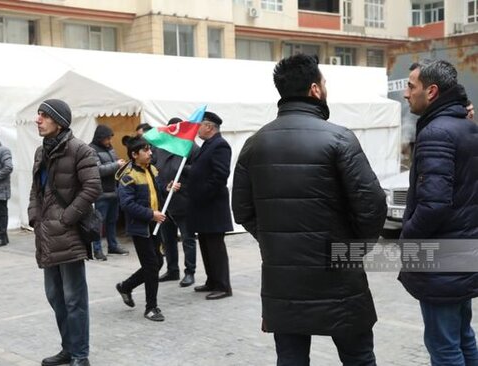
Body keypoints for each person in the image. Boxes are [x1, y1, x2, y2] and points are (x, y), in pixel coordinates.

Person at [232, 54, 386, 365]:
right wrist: (352, 249)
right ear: (315, 90)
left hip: (283, 280)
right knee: (358, 358)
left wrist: (277, 242)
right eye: (325, 83)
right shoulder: (339, 138)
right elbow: (372, 206)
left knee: (291, 359)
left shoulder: (254, 143)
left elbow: (242, 211)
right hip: (340, 275)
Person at [398, 59, 478, 366]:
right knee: (462, 337)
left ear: (431, 91)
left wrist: (407, 239)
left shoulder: (437, 133)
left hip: (442, 260)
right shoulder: (466, 127)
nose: (406, 94)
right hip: (463, 254)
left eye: (411, 86)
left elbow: (433, 205)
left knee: (444, 346)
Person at [28, 99, 101, 366]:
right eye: (38, 115)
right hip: (46, 235)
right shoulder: (41, 152)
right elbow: (36, 189)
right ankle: (68, 349)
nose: (38, 120)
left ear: (59, 121)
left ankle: (80, 355)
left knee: (74, 299)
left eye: (44, 115)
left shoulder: (79, 149)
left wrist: (67, 217)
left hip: (68, 235)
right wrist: (34, 216)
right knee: (55, 296)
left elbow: (92, 188)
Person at [115, 136, 179, 322]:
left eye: (150, 149)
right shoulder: (128, 176)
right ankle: (151, 308)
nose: (150, 152)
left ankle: (126, 286)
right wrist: (151, 214)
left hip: (155, 225)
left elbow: (156, 190)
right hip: (140, 227)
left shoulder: (151, 169)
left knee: (157, 263)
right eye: (145, 150)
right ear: (134, 155)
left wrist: (168, 188)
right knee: (152, 265)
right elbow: (127, 204)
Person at [187, 111, 233, 300]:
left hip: (212, 205)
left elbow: (220, 176)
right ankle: (211, 280)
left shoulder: (220, 145)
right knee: (205, 245)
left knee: (215, 248)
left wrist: (202, 194)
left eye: (200, 125)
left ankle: (223, 286)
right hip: (202, 206)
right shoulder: (208, 145)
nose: (197, 128)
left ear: (209, 127)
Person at [155, 117, 199, 287]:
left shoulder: (191, 148)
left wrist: (182, 179)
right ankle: (172, 269)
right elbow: (154, 170)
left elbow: (200, 170)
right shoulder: (160, 148)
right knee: (168, 238)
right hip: (164, 201)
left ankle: (190, 272)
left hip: (184, 200)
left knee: (188, 238)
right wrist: (162, 186)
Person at [88, 125, 128, 260]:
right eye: (107, 138)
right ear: (100, 137)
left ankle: (113, 245)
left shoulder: (110, 148)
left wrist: (121, 166)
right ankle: (97, 250)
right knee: (99, 222)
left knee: (112, 221)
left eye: (110, 138)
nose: (109, 141)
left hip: (113, 190)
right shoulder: (92, 149)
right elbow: (97, 170)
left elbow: (113, 164)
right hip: (101, 193)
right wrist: (117, 165)